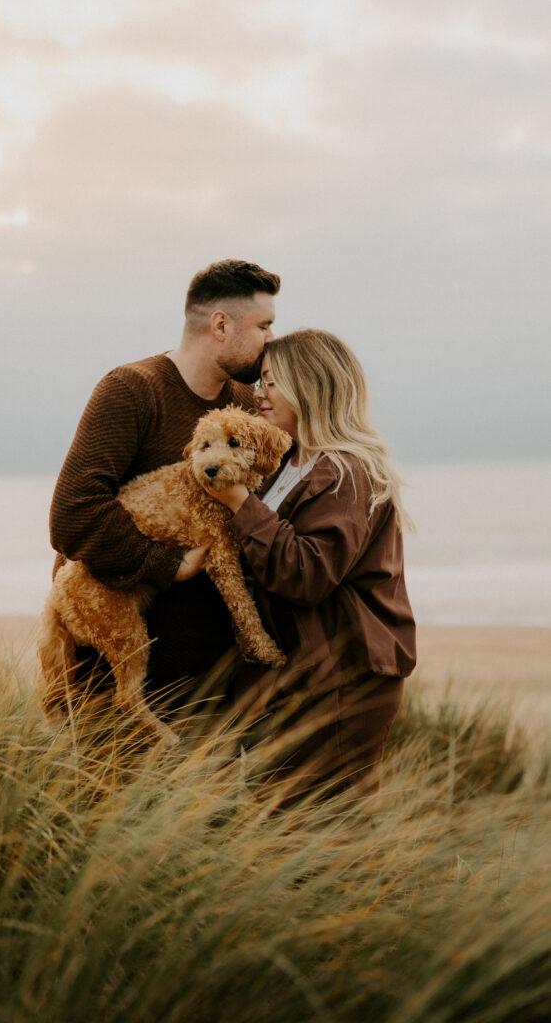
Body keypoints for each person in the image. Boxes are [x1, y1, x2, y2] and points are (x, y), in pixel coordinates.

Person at [48, 258, 280, 715]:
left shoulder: (247, 405)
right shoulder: (131, 390)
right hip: (118, 681)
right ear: (220, 325)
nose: (272, 340)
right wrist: (168, 565)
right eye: (265, 326)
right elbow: (73, 512)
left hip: (213, 680)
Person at [212, 329, 416, 804]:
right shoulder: (290, 463)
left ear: (310, 384)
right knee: (284, 834)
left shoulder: (349, 470)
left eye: (271, 382)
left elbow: (305, 575)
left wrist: (238, 500)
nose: (259, 395)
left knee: (327, 836)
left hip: (344, 680)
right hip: (301, 678)